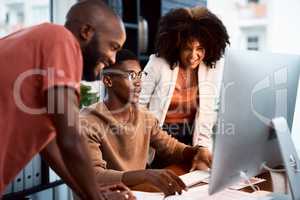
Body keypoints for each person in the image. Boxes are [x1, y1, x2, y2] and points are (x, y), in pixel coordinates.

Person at [0, 1, 135, 200]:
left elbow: (50, 144)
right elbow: (71, 137)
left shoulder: (37, 41)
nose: (113, 60)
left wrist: (91, 193)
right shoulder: (61, 39)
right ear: (87, 32)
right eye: (113, 47)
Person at [80, 49, 212, 197]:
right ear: (108, 81)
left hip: (138, 194)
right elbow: (94, 175)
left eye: (140, 75)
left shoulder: (144, 116)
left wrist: (197, 151)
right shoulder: (88, 121)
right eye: (131, 75)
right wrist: (145, 174)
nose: (138, 82)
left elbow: (169, 147)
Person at [139, 7, 230, 160]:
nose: (193, 56)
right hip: (159, 139)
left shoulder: (211, 68)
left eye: (200, 48)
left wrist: (202, 148)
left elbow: (207, 113)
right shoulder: (158, 63)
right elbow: (138, 105)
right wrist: (147, 138)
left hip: (191, 138)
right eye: (188, 48)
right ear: (177, 45)